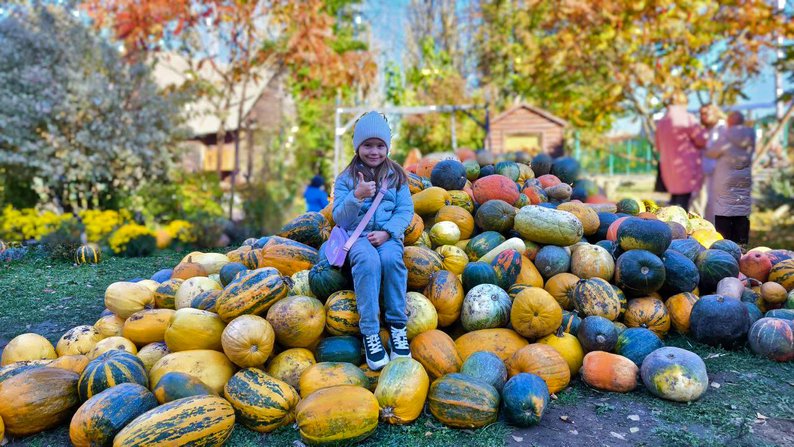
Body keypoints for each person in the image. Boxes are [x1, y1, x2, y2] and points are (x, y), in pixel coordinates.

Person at [332, 111, 414, 370]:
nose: (374, 152)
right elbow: (340, 219)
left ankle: (398, 326)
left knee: (391, 259)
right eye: (368, 145)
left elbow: (405, 210)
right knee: (367, 262)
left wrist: (388, 232)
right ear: (358, 147)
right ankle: (370, 333)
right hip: (357, 236)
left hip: (387, 236)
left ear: (387, 147)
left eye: (380, 145)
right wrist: (356, 195)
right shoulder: (346, 179)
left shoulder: (397, 176)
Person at [706, 111, 755, 246]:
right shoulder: (750, 134)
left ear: (730, 122)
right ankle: (741, 243)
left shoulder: (725, 135)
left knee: (724, 209)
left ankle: (724, 244)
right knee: (741, 208)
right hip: (743, 177)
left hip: (726, 178)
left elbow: (712, 152)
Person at [655, 92, 707, 210]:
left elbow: (658, 146)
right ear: (683, 103)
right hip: (686, 167)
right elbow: (701, 140)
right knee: (686, 202)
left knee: (675, 200)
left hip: (668, 167)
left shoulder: (662, 121)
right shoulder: (687, 118)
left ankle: (672, 225)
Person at [691, 104, 725, 222]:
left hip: (718, 175)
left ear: (715, 113)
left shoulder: (723, 129)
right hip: (703, 173)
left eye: (705, 114)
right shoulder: (706, 130)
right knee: (698, 203)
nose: (702, 117)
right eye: (701, 114)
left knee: (714, 206)